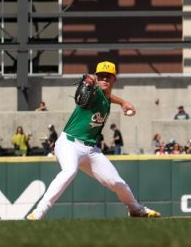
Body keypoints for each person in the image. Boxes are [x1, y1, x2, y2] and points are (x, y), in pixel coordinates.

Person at [27, 61, 159, 220]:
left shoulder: (106, 97)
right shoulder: (94, 91)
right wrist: (89, 80)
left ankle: (136, 209)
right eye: (100, 76)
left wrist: (123, 102)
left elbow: (109, 96)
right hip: (69, 143)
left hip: (90, 150)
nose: (104, 79)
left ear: (114, 79)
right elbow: (89, 93)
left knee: (116, 182)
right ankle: (39, 212)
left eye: (108, 76)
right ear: (96, 77)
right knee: (69, 171)